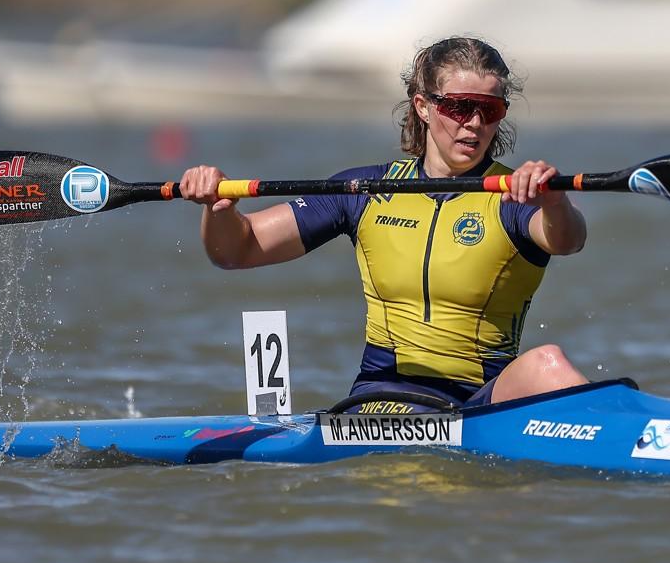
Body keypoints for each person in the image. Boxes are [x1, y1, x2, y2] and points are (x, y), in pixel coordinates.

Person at [180, 37, 590, 411]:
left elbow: (567, 240)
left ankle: (644, 439)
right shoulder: (367, 190)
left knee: (547, 363)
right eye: (460, 106)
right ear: (423, 106)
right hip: (384, 398)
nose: (475, 123)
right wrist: (219, 210)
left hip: (485, 403)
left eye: (490, 110)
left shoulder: (513, 197)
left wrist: (555, 202)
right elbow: (238, 250)